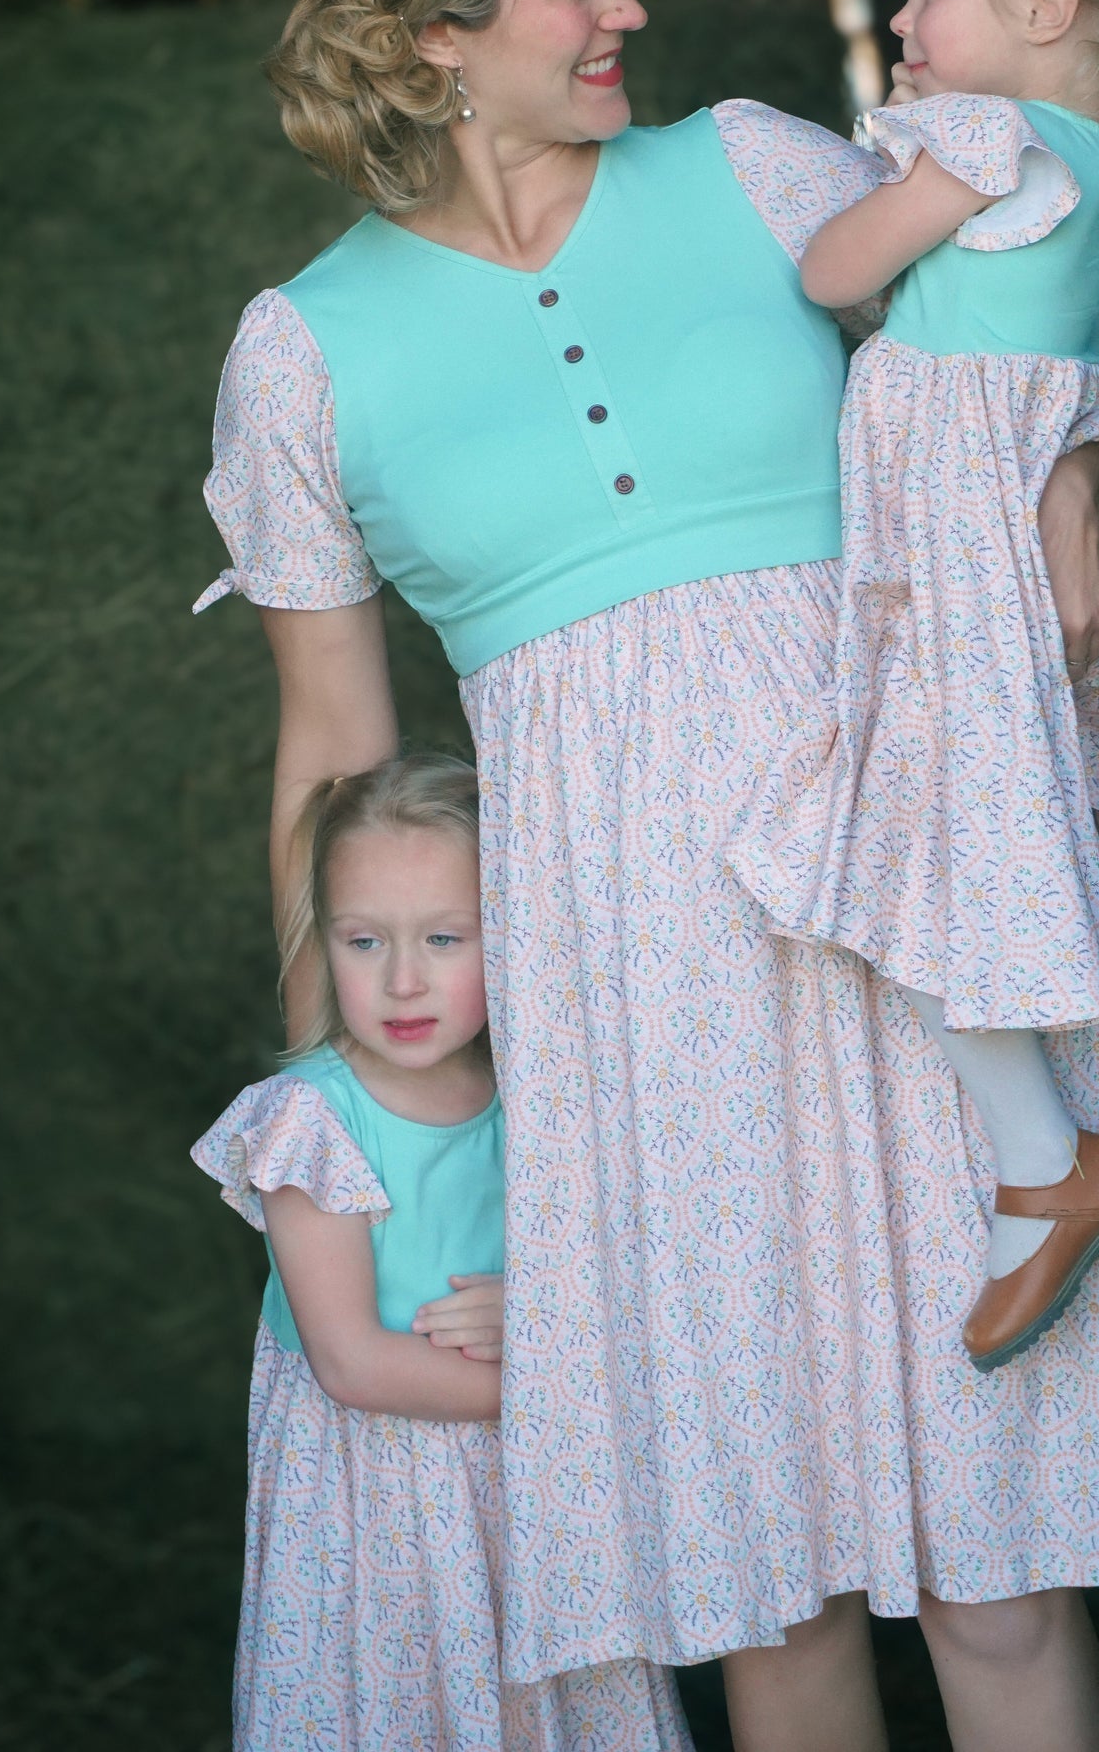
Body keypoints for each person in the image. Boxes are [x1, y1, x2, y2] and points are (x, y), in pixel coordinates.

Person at [193, 0, 1099, 1752]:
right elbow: (334, 757)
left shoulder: (771, 169)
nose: (627, 9)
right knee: (760, 1596)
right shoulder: (304, 353)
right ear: (435, 28)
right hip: (630, 1012)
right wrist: (342, 1127)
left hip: (901, 922)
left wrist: (1067, 504)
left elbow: (1037, 373)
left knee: (994, 1569)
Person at [729, 0, 1099, 1373]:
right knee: (942, 853)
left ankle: (1053, 1167)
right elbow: (1093, 388)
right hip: (987, 556)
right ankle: (1043, 1164)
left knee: (931, 859)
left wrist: (875, 191)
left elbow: (836, 271)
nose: (900, 22)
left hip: (950, 564)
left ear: (1043, 4)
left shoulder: (981, 140)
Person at [191, 751, 693, 1752]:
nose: (403, 977)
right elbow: (352, 1361)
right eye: (364, 939)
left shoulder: (550, 1108)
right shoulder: (310, 1122)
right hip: (376, 1511)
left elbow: (621, 1279)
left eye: (444, 937)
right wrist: (576, 1370)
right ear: (321, 939)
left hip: (539, 1497)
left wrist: (548, 1312)